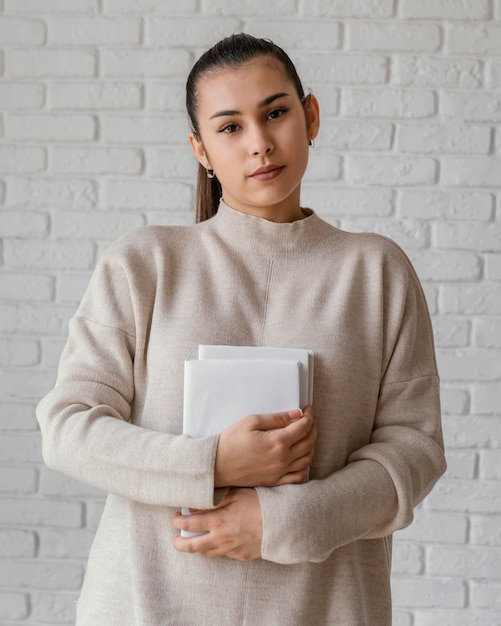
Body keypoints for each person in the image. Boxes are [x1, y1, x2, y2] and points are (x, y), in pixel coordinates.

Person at [37, 33, 446, 625]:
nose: (259, 143)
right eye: (230, 128)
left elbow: (415, 450)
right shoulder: (144, 264)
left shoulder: (376, 270)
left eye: (275, 113)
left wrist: (284, 521)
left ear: (310, 116)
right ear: (200, 149)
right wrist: (215, 464)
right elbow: (68, 427)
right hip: (145, 606)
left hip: (324, 608)